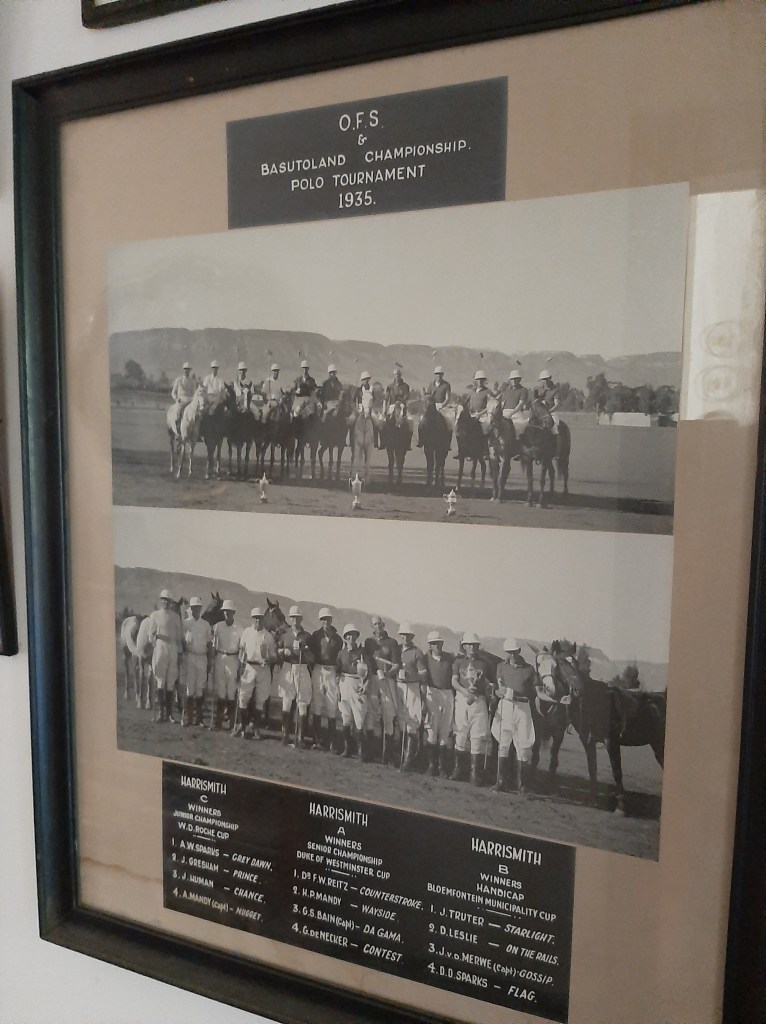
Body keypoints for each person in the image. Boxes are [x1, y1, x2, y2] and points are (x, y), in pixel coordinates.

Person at [491, 639, 536, 794]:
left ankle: (522, 785)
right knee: (503, 743)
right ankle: (500, 782)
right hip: (506, 705)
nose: (512, 655)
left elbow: (538, 692)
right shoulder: (501, 667)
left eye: (515, 652)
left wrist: (558, 700)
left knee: (523, 745)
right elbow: (498, 689)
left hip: (523, 707)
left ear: (519, 651)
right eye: (510, 652)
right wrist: (498, 692)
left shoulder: (529, 669)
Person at [451, 633, 493, 786]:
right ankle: (458, 769)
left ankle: (474, 772)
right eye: (469, 645)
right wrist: (465, 691)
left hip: (479, 700)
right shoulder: (458, 662)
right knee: (460, 731)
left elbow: (490, 683)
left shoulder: (485, 663)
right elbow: (454, 681)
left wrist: (486, 687)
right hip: (462, 698)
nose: (472, 647)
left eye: (475, 645)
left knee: (477, 735)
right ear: (464, 646)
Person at [364, 616, 401, 766]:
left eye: (380, 623)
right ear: (372, 626)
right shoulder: (368, 642)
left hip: (387, 680)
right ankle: (369, 751)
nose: (378, 626)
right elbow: (365, 661)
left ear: (384, 625)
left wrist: (387, 674)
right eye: (375, 624)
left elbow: (397, 665)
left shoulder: (392, 642)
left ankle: (387, 755)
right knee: (371, 713)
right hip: (373, 679)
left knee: (388, 714)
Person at [276, 606, 314, 748]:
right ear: (290, 618)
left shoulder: (307, 636)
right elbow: (278, 650)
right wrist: (283, 651)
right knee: (286, 699)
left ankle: (300, 737)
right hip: (288, 667)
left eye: (297, 617)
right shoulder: (285, 634)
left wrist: (306, 650)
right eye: (293, 617)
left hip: (302, 668)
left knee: (303, 701)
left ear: (301, 619)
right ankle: (285, 735)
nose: (295, 620)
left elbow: (313, 658)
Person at [238, 607, 277, 740]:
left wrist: (268, 660)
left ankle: (256, 729)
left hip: (263, 669)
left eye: (260, 618)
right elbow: (242, 649)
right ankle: (243, 727)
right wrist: (241, 662)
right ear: (252, 619)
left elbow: (274, 656)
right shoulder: (246, 632)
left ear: (263, 619)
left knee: (260, 699)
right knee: (243, 697)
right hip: (249, 667)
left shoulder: (268, 636)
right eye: (255, 618)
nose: (257, 620)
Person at [335, 625, 371, 760]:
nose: (351, 638)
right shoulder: (341, 653)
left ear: (357, 636)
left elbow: (368, 671)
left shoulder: (362, 652)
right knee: (346, 717)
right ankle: (347, 749)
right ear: (345, 637)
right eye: (348, 635)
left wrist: (365, 685)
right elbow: (337, 672)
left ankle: (361, 752)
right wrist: (337, 689)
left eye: (353, 635)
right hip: (344, 683)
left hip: (357, 684)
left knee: (359, 718)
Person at [309, 608, 343, 750]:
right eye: (323, 619)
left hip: (332, 671)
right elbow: (311, 654)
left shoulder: (338, 638)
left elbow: (340, 658)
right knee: (317, 704)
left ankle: (331, 742)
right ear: (320, 620)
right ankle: (316, 740)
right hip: (318, 669)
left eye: (328, 619)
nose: (326, 622)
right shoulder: (315, 635)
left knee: (331, 705)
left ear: (331, 620)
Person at [147, 588, 183, 723]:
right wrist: (155, 644)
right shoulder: (155, 615)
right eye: (163, 600)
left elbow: (179, 637)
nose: (165, 602)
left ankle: (170, 714)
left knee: (171, 680)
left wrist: (180, 652)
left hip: (173, 647)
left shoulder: (176, 617)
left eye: (168, 600)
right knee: (161, 679)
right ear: (161, 600)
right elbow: (150, 635)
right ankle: (161, 713)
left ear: (171, 602)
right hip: (160, 646)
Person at [423, 630, 455, 777]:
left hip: (447, 693)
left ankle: (442, 767)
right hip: (432, 692)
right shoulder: (425, 658)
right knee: (432, 728)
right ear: (430, 645)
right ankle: (431, 765)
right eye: (434, 643)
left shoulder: (449, 658)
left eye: (439, 643)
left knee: (445, 729)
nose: (437, 646)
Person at [397, 624, 428, 771]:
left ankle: (409, 760)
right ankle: (401, 755)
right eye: (403, 635)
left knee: (412, 721)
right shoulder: (397, 649)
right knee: (401, 718)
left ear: (412, 637)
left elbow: (423, 673)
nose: (405, 637)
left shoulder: (417, 652)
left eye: (408, 635)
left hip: (412, 686)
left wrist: (412, 676)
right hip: (399, 685)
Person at [211, 600, 242, 732]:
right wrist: (212, 660)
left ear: (233, 612)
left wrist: (240, 667)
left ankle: (231, 722)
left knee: (231, 692)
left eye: (228, 611)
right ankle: (218, 722)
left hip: (233, 659)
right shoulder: (217, 626)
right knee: (221, 691)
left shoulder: (239, 629)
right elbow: (213, 645)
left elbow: (242, 649)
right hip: (220, 658)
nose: (226, 614)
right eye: (224, 611)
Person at [182, 596, 212, 727]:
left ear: (201, 609)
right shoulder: (185, 623)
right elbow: (182, 641)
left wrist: (210, 661)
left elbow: (209, 644)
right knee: (190, 688)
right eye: (194, 608)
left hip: (202, 657)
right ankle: (188, 718)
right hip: (190, 657)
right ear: (191, 609)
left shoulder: (205, 624)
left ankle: (199, 719)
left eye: (198, 608)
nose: (196, 610)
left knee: (200, 688)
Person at [417, 367, 452, 447]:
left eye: (440, 374)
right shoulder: (431, 384)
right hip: (431, 407)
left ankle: (448, 443)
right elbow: (428, 396)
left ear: (442, 374)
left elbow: (447, 398)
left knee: (449, 423)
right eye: (437, 374)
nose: (438, 376)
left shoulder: (446, 385)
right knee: (421, 422)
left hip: (442, 407)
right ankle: (421, 440)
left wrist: (442, 405)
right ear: (434, 375)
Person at [170, 362, 198, 433]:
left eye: (188, 369)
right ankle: (178, 430)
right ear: (183, 370)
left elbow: (195, 392)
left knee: (197, 414)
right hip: (181, 400)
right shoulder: (178, 380)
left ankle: (197, 432)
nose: (186, 371)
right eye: (185, 369)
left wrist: (194, 399)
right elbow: (173, 392)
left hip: (190, 401)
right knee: (178, 412)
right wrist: (176, 398)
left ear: (190, 370)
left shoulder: (193, 381)